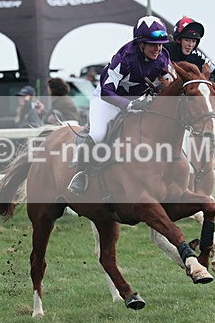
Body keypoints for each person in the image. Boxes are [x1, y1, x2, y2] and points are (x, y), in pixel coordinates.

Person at [67, 15, 172, 195]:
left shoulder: (163, 58)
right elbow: (107, 90)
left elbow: (169, 85)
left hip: (139, 101)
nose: (158, 48)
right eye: (153, 44)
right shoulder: (125, 57)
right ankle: (81, 174)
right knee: (99, 133)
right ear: (141, 44)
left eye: (161, 44)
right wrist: (128, 105)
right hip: (107, 100)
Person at [164, 16, 215, 81]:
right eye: (187, 40)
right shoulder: (165, 49)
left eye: (194, 41)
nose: (190, 45)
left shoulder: (197, 55)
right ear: (179, 40)